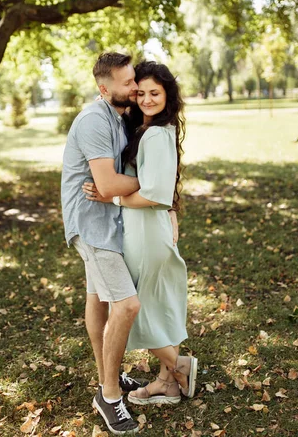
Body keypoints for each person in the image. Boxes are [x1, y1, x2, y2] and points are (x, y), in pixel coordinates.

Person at [83, 60, 197, 406]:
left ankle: (179, 367)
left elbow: (154, 193)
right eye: (141, 92)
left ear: (168, 96)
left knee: (134, 312)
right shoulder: (143, 130)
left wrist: (112, 194)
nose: (146, 98)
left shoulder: (157, 136)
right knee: (154, 306)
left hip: (145, 234)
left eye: (155, 93)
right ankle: (168, 383)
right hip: (145, 229)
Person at [61, 52, 145, 435]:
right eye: (127, 82)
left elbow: (113, 182)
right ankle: (109, 396)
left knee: (97, 298)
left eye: (133, 79)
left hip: (107, 220)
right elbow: (109, 185)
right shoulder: (95, 120)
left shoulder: (120, 115)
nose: (135, 87)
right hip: (91, 225)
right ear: (104, 87)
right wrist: (154, 184)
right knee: (126, 305)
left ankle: (107, 375)